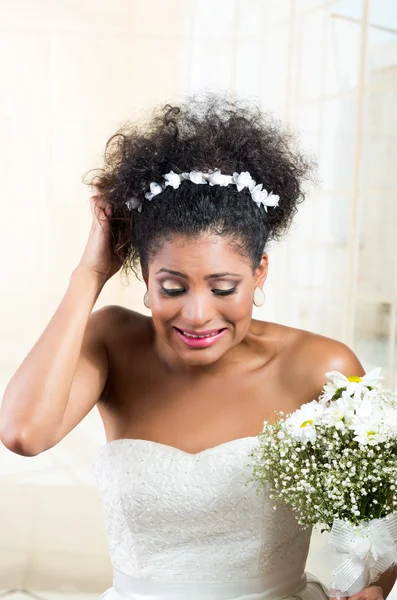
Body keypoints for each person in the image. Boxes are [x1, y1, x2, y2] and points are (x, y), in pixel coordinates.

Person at [0, 92, 383, 600]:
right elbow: (25, 434)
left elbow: (381, 522)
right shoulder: (113, 341)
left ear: (259, 272)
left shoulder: (322, 367)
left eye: (223, 288)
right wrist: (89, 274)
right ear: (143, 275)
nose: (197, 314)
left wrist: (374, 590)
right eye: (173, 287)